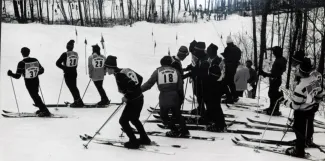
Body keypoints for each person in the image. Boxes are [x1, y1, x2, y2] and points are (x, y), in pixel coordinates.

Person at [104, 55, 151, 149]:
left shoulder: (119, 75)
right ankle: (144, 138)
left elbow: (132, 85)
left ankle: (134, 142)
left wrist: (127, 96)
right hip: (139, 98)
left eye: (106, 68)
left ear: (111, 68)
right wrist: (134, 92)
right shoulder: (125, 70)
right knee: (134, 119)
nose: (106, 70)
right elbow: (140, 79)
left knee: (123, 121)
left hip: (134, 101)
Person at [282, 58, 323, 158]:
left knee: (299, 129)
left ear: (301, 71)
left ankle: (299, 150)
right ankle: (307, 140)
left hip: (302, 111)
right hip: (311, 108)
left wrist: (285, 102)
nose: (296, 71)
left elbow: (296, 105)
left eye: (297, 69)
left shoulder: (301, 87)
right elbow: (321, 93)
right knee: (308, 126)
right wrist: (316, 102)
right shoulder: (313, 80)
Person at [141, 56, 190, 137]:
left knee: (164, 116)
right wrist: (181, 98)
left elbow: (149, 84)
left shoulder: (158, 71)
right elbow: (180, 86)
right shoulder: (176, 71)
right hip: (175, 95)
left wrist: (139, 90)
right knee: (177, 114)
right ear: (170, 63)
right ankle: (184, 130)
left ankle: (174, 130)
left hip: (164, 95)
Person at [290, 50, 324, 148]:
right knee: (306, 122)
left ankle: (305, 141)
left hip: (306, 106)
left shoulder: (313, 75)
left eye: (296, 62)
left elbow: (314, 88)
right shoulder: (307, 75)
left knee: (305, 123)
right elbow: (316, 89)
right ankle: (304, 139)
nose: (295, 65)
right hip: (308, 103)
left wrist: (316, 101)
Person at [7, 47, 51, 117]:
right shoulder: (35, 60)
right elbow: (42, 70)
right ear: (29, 52)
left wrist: (10, 74)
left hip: (28, 82)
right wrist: (36, 73)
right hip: (36, 80)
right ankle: (41, 108)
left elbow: (17, 76)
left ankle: (45, 111)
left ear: (22, 53)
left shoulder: (21, 63)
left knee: (34, 96)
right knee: (36, 95)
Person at [204, 43, 227, 131]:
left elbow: (221, 74)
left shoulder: (219, 61)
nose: (208, 53)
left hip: (216, 86)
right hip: (209, 84)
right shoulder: (209, 59)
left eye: (210, 51)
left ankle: (220, 124)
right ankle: (212, 120)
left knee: (215, 105)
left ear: (214, 52)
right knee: (210, 104)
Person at [56, 40, 84, 107]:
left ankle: (77, 101)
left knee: (72, 87)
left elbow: (57, 63)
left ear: (67, 47)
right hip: (74, 72)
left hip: (68, 73)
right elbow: (76, 64)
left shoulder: (65, 54)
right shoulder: (76, 54)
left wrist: (64, 68)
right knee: (74, 87)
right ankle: (78, 100)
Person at [260, 46, 287, 116]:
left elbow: (275, 74)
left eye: (274, 52)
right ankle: (272, 107)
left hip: (276, 79)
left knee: (274, 94)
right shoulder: (279, 59)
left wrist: (264, 73)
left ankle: (275, 109)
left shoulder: (279, 61)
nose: (273, 53)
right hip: (275, 79)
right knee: (271, 93)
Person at [221, 36, 242, 104]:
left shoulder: (227, 49)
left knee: (224, 83)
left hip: (229, 68)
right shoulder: (237, 49)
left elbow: (226, 57)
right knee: (231, 83)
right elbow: (238, 57)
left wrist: (224, 56)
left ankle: (229, 97)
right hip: (235, 68)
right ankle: (235, 96)